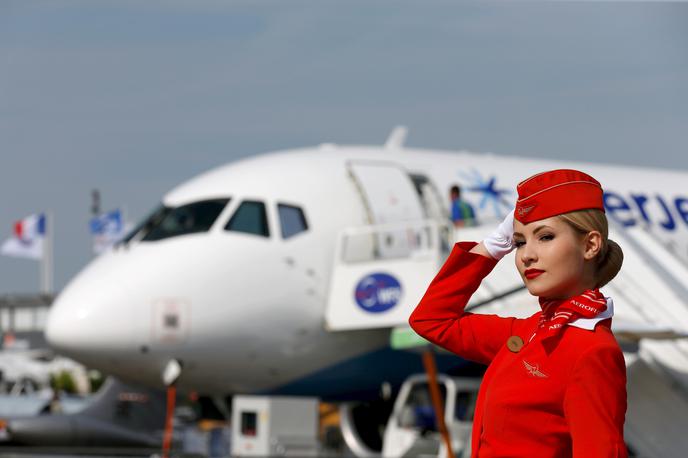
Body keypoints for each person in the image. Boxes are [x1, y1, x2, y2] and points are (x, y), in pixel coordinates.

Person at [409, 169, 627, 457]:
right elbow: (431, 320)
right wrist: (493, 246)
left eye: (545, 237)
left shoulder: (592, 351)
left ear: (590, 245)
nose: (526, 255)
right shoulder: (523, 334)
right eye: (520, 241)